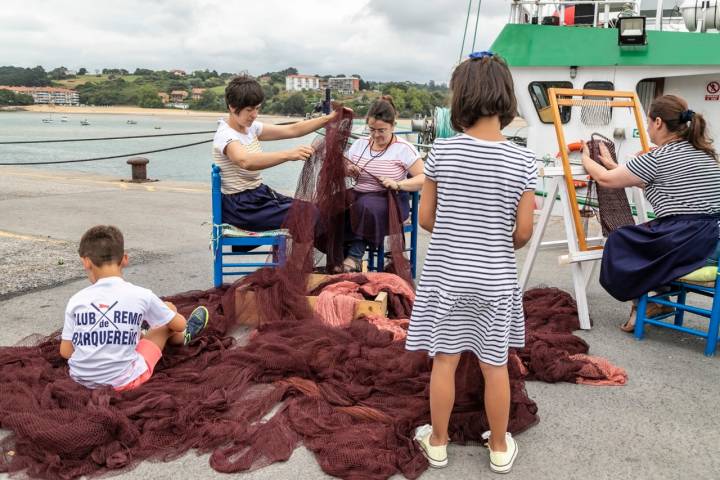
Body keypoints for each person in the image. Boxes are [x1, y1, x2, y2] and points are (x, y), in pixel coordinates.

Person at [405, 51, 537, 473]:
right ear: (506, 98)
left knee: (445, 360)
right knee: (494, 364)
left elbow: (425, 218)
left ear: (460, 98)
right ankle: (499, 446)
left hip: (447, 278)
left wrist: (455, 233)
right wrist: (494, 242)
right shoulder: (523, 161)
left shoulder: (442, 153)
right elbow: (523, 232)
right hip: (495, 279)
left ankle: (438, 441)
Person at [581, 94, 720, 332]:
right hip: (712, 242)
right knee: (643, 237)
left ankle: (646, 301)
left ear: (658, 122)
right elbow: (660, 183)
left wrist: (585, 159)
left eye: (648, 122)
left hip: (685, 241)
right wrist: (616, 167)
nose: (646, 128)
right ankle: (659, 300)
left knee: (620, 240)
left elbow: (604, 179)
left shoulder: (658, 157)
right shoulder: (706, 155)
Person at [60, 225, 209, 390]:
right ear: (124, 259)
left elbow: (66, 351)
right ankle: (184, 337)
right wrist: (170, 312)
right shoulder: (141, 294)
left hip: (81, 381)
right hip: (125, 381)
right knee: (166, 325)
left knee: (147, 327)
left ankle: (140, 333)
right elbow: (179, 324)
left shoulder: (76, 300)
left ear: (86, 262)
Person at [213, 75, 340, 231]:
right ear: (232, 107)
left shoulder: (250, 128)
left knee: (313, 211)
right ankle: (347, 254)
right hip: (241, 208)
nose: (254, 114)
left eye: (257, 108)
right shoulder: (226, 135)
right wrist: (288, 154)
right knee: (309, 214)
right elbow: (245, 161)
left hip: (257, 196)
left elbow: (293, 130)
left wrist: (329, 119)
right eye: (249, 110)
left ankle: (347, 254)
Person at [341, 96, 424, 272]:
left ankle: (354, 257)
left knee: (366, 207)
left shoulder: (404, 149)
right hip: (360, 194)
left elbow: (424, 178)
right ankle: (339, 254)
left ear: (393, 126)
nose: (376, 135)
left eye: (381, 130)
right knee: (333, 204)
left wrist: (398, 184)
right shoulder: (359, 144)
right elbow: (344, 165)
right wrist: (349, 169)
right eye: (372, 130)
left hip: (390, 200)